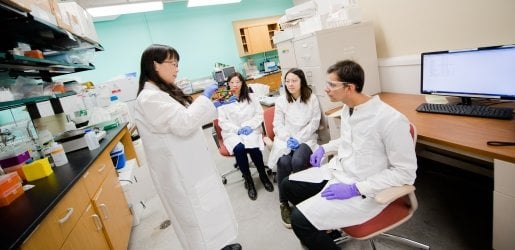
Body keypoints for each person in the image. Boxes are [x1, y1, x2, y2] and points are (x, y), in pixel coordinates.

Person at [281, 60, 418, 250]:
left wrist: (355, 189)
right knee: (287, 185)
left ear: (349, 88)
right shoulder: (348, 109)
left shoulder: (390, 120)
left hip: (366, 189)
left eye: (331, 84)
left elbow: (405, 173)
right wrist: (324, 148)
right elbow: (348, 141)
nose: (326, 89)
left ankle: (320, 227)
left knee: (299, 220)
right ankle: (329, 229)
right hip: (340, 173)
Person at [134, 44, 241, 250]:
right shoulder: (149, 98)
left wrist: (212, 106)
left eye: (177, 63)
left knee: (209, 210)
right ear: (155, 65)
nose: (177, 68)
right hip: (179, 173)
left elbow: (183, 117)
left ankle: (220, 244)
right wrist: (205, 98)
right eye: (172, 63)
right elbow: (183, 124)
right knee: (195, 218)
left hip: (191, 165)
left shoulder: (162, 92)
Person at [267, 68, 321, 228]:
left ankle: (302, 199)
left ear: (301, 81)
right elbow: (277, 124)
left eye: (294, 80)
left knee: (297, 161)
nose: (290, 84)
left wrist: (298, 139)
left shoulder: (312, 98)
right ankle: (283, 202)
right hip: (285, 139)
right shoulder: (281, 101)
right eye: (287, 81)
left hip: (306, 139)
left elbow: (315, 122)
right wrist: (287, 138)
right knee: (283, 163)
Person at [217, 72, 274, 200]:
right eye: (231, 82)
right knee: (239, 148)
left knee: (253, 147)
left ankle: (263, 175)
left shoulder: (251, 97)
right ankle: (249, 181)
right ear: (228, 85)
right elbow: (222, 122)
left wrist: (250, 126)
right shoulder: (223, 101)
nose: (234, 85)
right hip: (232, 133)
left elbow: (259, 114)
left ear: (242, 83)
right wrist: (237, 130)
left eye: (237, 82)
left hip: (251, 130)